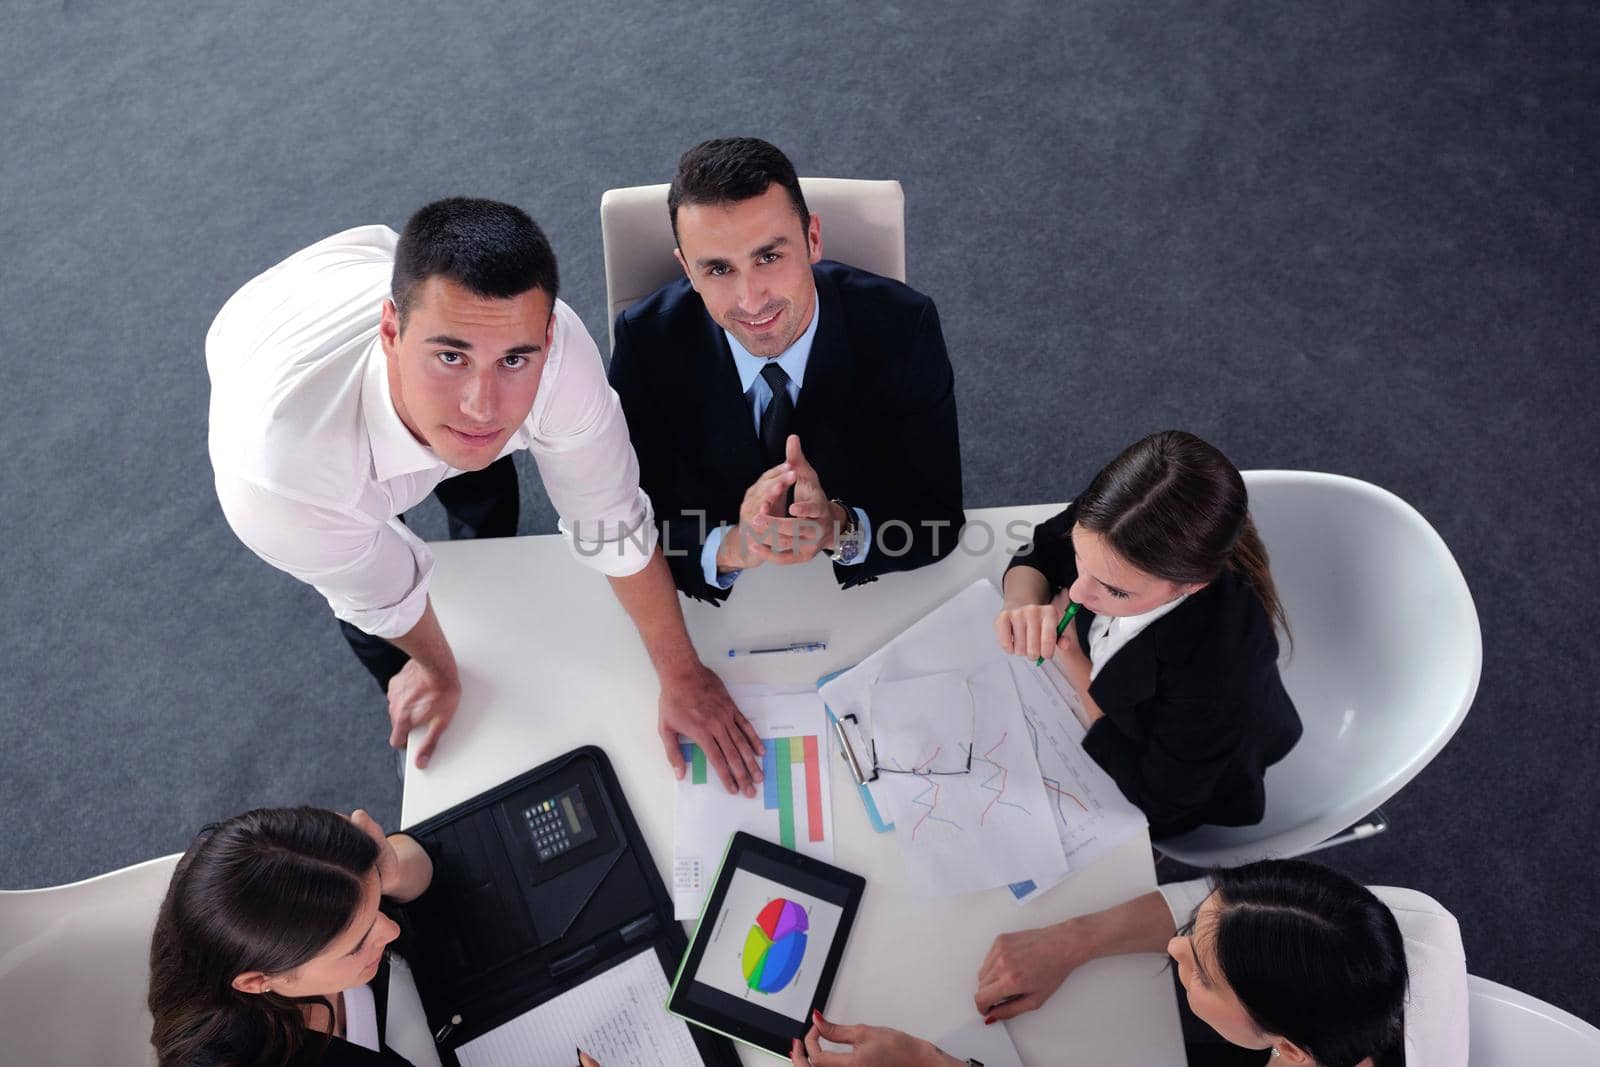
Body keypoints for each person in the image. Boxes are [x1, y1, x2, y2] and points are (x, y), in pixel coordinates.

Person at [206, 199, 763, 795]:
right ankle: (412, 689)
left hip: (369, 273)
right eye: (451, 357)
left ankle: (475, 521)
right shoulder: (282, 480)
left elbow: (613, 526)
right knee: (378, 595)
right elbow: (381, 595)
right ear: (390, 330)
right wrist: (438, 669)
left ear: (546, 338)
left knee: (475, 466)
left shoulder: (553, 354)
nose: (483, 404)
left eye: (515, 359)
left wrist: (681, 671)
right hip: (275, 333)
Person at [607, 137, 965, 606]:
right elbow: (629, 523)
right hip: (725, 608)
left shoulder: (902, 325)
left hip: (862, 605)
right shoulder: (647, 340)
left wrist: (839, 529)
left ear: (813, 239)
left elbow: (935, 519)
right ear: (688, 272)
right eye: (717, 270)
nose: (750, 300)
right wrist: (735, 547)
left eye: (768, 257)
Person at [788, 859, 1468, 1067]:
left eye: (1200, 972)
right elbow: (1211, 900)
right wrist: (1074, 939)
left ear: (1287, 1048)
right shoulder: (1416, 927)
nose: (1172, 948)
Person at [994, 430, 1302, 838]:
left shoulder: (1220, 673)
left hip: (1192, 773)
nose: (1079, 593)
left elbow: (1160, 804)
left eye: (1116, 590)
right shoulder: (1118, 517)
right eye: (1080, 558)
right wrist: (1021, 603)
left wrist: (1073, 662)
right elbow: (1042, 550)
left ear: (1191, 584)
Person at [148, 806, 434, 1066]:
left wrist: (393, 876)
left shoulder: (286, 871)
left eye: (377, 894)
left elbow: (425, 856)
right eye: (357, 946)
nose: (391, 930)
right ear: (257, 981)